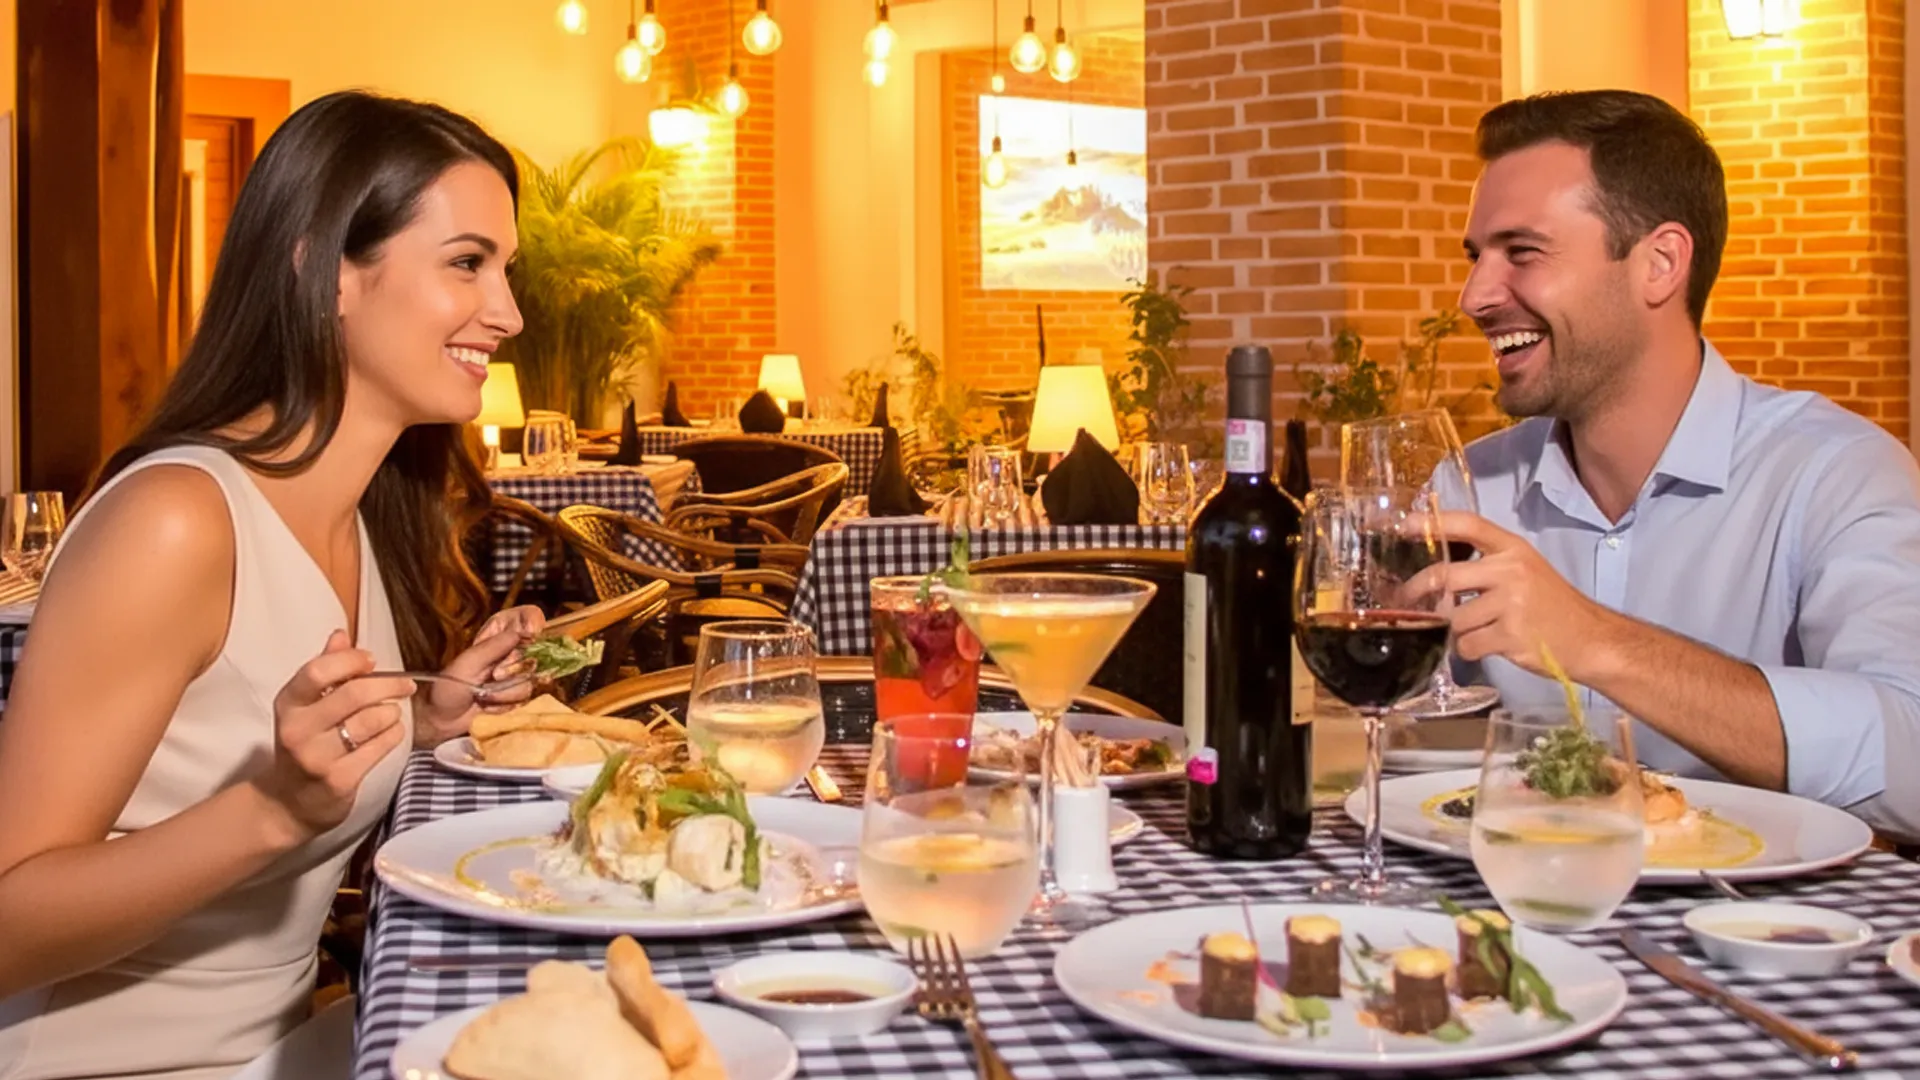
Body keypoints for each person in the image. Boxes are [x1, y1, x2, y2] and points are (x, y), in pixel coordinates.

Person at [0, 90, 545, 1078]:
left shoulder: (363, 510)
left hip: (290, 1047)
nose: (507, 311)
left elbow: (231, 727)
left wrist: (421, 719)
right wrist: (275, 809)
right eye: (468, 262)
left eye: (506, 270)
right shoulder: (174, 522)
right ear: (324, 269)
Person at [1441, 88, 1920, 841]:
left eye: (1522, 252)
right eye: (1476, 257)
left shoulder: (1836, 473)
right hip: (1515, 911)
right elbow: (1402, 744)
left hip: (1763, 940)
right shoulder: (1468, 488)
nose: (1473, 297)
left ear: (1660, 263)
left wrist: (1595, 641)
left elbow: (1912, 761)